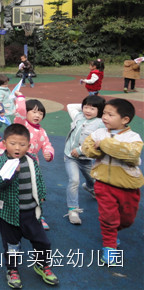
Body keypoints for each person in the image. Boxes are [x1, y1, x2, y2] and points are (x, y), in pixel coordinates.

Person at [0, 123, 59, 289]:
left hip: (31, 212)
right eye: (13, 143)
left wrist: (41, 195)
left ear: (28, 146)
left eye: (22, 144)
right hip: (9, 213)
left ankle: (41, 265)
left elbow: (38, 179)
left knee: (42, 242)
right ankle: (12, 270)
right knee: (11, 245)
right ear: (4, 143)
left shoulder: (31, 160)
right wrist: (10, 174)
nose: (17, 148)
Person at [82, 98, 143, 266]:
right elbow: (88, 149)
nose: (105, 117)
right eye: (104, 113)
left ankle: (113, 232)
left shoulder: (133, 137)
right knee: (108, 217)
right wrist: (98, 148)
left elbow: (130, 154)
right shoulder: (98, 133)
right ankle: (109, 245)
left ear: (125, 119)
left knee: (127, 219)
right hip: (103, 184)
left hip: (127, 186)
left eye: (110, 114)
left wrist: (103, 144)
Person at [0, 93, 54, 230]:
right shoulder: (21, 124)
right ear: (26, 112)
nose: (37, 115)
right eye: (34, 112)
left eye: (40, 113)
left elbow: (47, 144)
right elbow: (20, 111)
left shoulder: (42, 131)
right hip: (12, 160)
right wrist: (20, 98)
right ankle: (0, 207)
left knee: (32, 187)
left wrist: (49, 152)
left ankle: (38, 215)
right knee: (6, 185)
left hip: (31, 163)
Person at [63, 96, 106, 225]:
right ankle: (73, 209)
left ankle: (90, 188)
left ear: (100, 110)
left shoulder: (101, 124)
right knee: (74, 180)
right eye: (86, 107)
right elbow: (70, 106)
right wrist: (86, 104)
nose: (88, 111)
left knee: (91, 179)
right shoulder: (78, 116)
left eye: (92, 109)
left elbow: (96, 142)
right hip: (70, 156)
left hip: (86, 158)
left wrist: (80, 150)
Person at [0, 74, 17, 141]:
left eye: (7, 83)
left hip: (4, 110)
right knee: (8, 124)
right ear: (0, 84)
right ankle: (12, 135)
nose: (7, 85)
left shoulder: (4, 89)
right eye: (5, 84)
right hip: (3, 112)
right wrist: (1, 112)